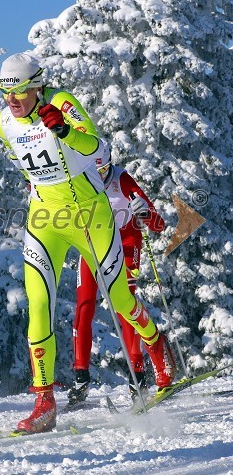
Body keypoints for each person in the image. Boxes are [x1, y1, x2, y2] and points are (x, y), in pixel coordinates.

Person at [0, 52, 176, 435]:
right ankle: (44, 401)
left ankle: (157, 346)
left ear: (38, 85)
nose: (13, 99)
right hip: (45, 219)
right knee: (38, 306)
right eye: (6, 91)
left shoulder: (62, 103)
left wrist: (65, 133)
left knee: (121, 300)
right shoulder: (2, 122)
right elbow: (26, 162)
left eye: (22, 90)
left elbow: (100, 150)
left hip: (89, 216)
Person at [69, 144, 166, 406]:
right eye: (93, 169)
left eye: (102, 169)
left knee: (125, 307)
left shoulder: (121, 179)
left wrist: (144, 212)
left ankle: (139, 376)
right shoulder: (79, 179)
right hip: (93, 245)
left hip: (125, 243)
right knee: (85, 305)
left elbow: (158, 224)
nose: (98, 176)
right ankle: (80, 378)